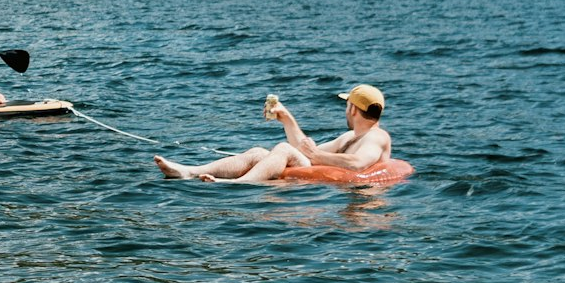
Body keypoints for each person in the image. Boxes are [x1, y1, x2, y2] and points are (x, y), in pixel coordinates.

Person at [155, 84, 392, 184]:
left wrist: (317, 155)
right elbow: (305, 152)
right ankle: (189, 171)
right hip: (325, 179)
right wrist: (287, 119)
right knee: (259, 153)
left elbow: (359, 163)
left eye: (346, 104)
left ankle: (238, 184)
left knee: (282, 149)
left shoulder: (376, 137)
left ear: (353, 108)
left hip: (335, 186)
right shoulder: (350, 137)